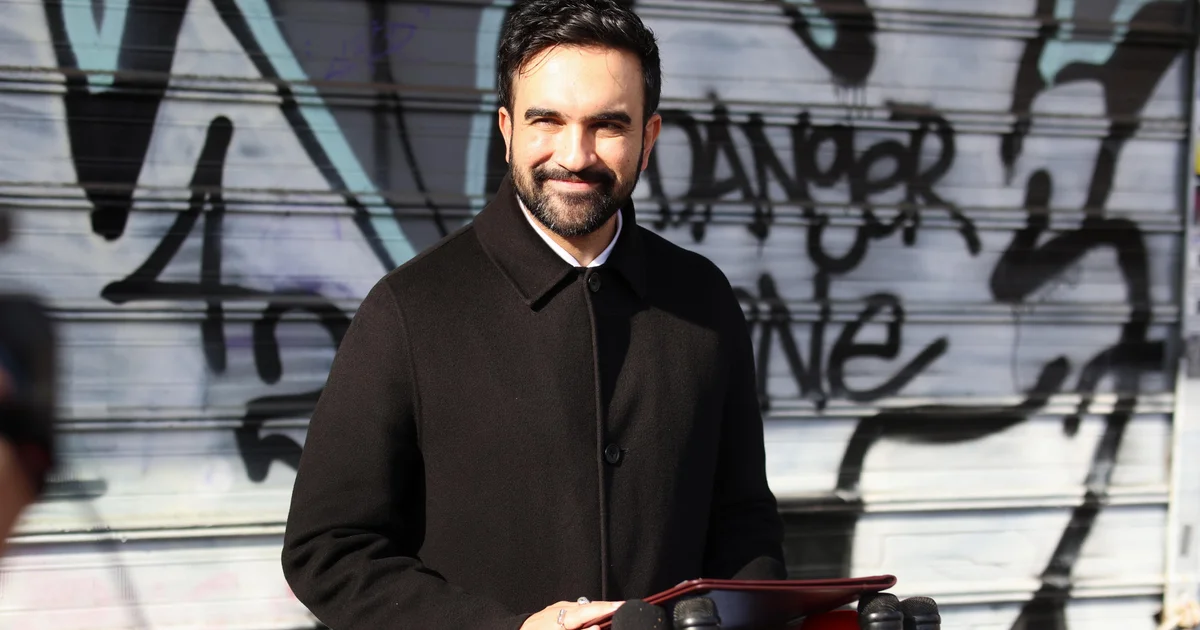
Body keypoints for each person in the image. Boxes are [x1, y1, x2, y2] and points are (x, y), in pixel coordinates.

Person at [280, 1, 787, 628]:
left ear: (648, 139)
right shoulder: (410, 309)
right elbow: (327, 550)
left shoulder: (703, 298)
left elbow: (743, 522)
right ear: (507, 129)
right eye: (547, 120)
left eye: (608, 125)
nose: (575, 155)